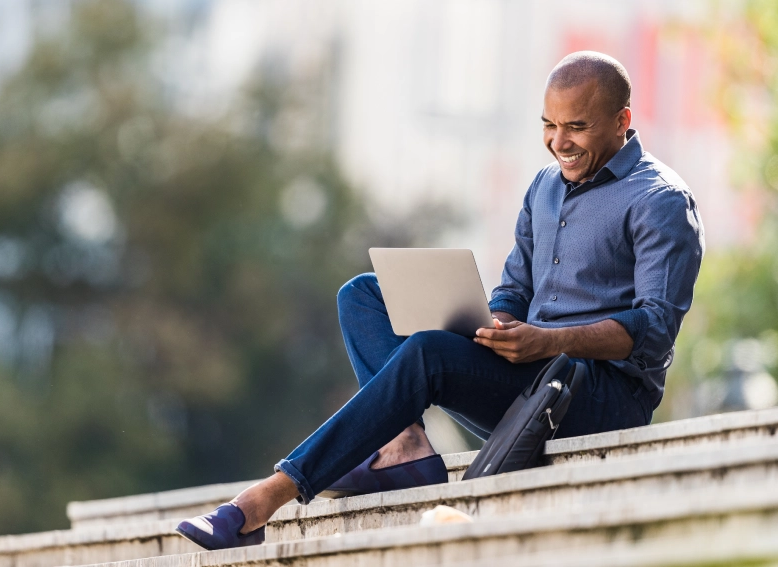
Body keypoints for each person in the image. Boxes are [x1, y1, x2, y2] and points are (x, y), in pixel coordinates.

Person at [176, 51, 704, 550]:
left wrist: (550, 340)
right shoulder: (543, 188)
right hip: (527, 381)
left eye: (576, 127)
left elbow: (654, 332)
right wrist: (492, 322)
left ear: (622, 119)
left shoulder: (660, 201)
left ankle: (262, 501)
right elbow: (515, 292)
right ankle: (405, 445)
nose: (557, 141)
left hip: (598, 398)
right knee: (363, 295)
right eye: (548, 124)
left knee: (427, 351)